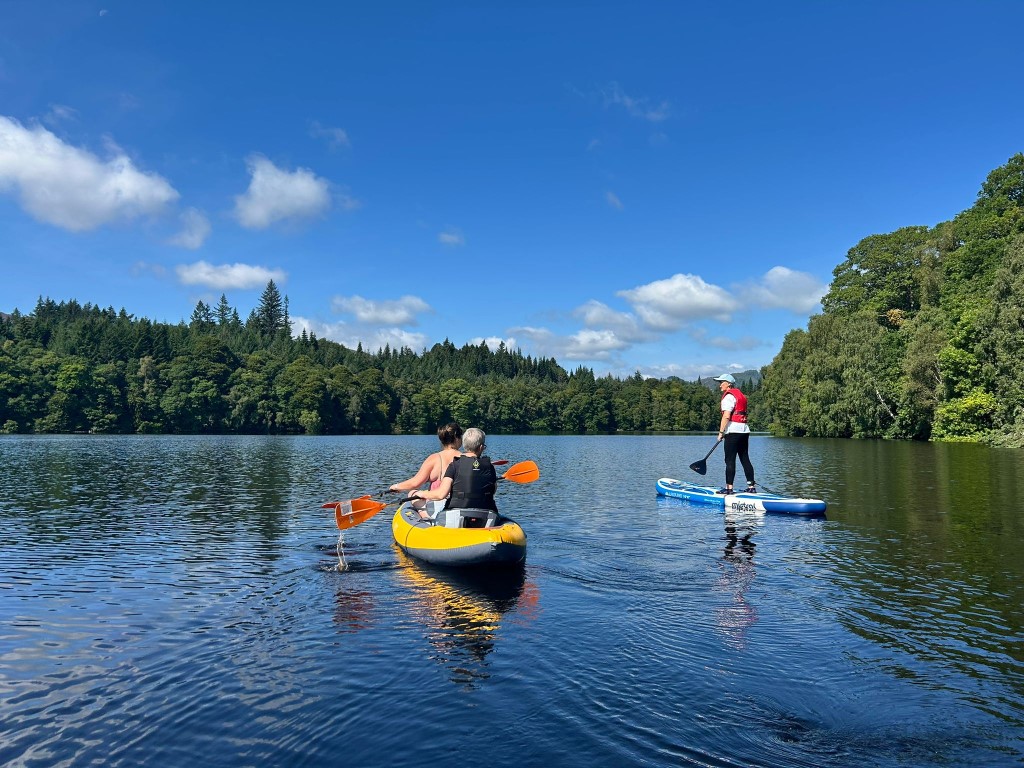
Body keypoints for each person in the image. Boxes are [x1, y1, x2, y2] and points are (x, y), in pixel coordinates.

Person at [408, 427, 497, 526]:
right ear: (481, 447)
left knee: (415, 496)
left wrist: (421, 493)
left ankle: (428, 521)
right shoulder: (490, 467)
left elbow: (440, 494)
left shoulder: (454, 465)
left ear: (464, 445)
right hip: (486, 518)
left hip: (455, 518)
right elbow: (492, 491)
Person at [390, 422, 463, 518]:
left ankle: (426, 518)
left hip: (437, 506)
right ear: (457, 438)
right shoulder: (467, 458)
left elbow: (415, 483)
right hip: (460, 505)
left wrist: (396, 486)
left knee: (412, 493)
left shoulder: (435, 458)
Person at [713, 373, 755, 494]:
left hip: (733, 431)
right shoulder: (741, 395)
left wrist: (721, 432)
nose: (720, 385)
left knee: (730, 460)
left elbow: (726, 416)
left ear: (728, 384)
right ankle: (751, 487)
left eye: (721, 382)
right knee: (745, 458)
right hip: (744, 430)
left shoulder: (728, 397)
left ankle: (729, 489)